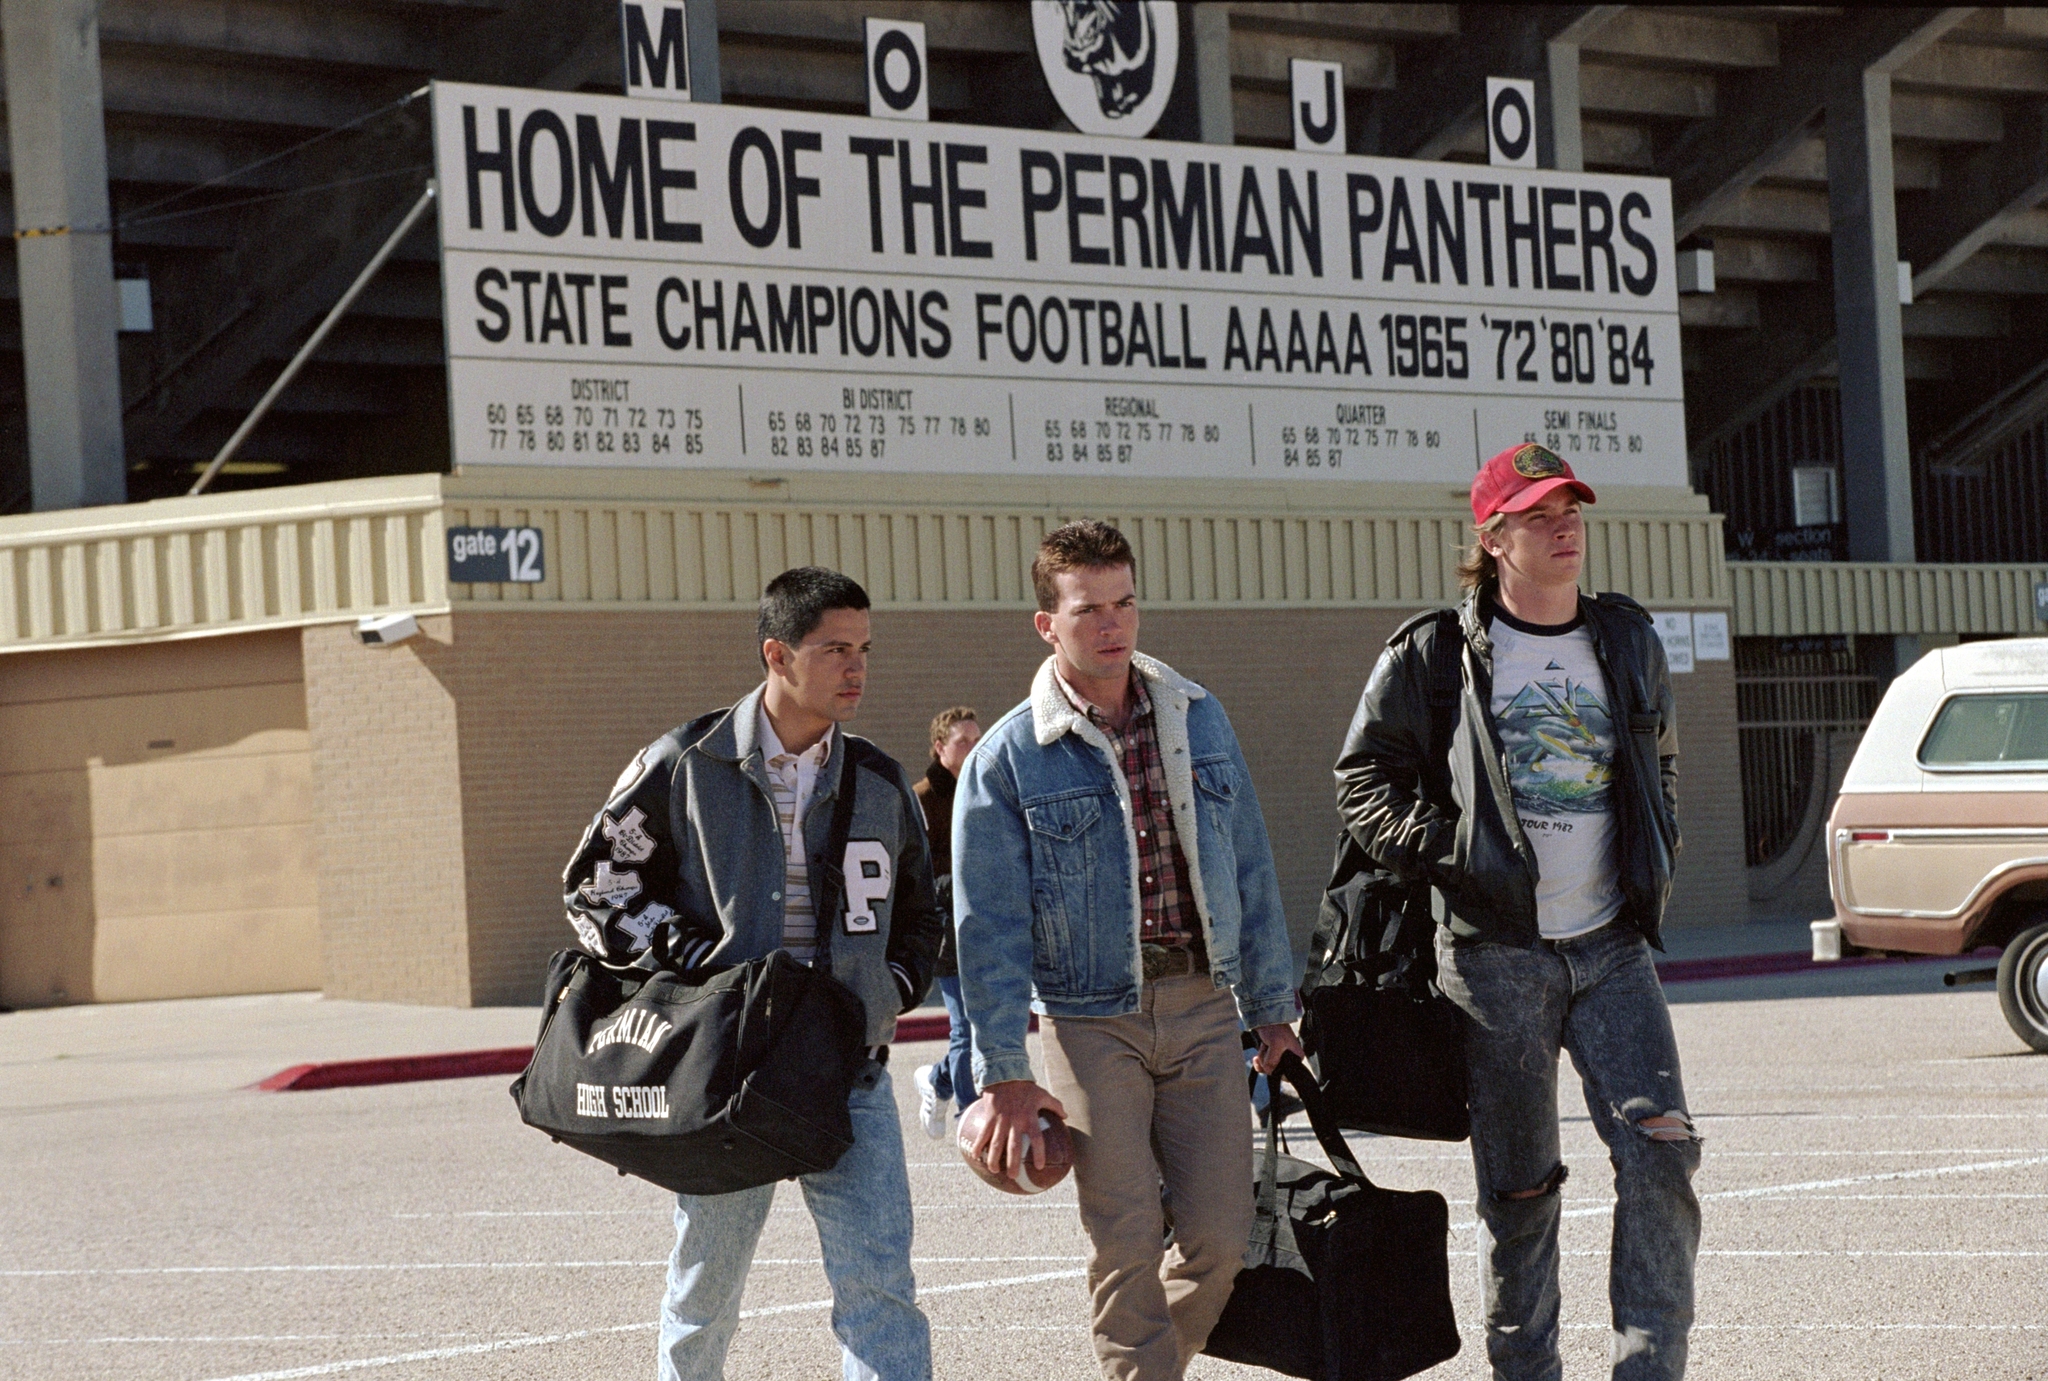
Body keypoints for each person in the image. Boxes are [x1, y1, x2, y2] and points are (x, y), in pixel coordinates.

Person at [1334, 443, 1701, 1381]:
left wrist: (1660, 844)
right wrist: (1456, 856)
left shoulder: (1625, 639)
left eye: (1570, 507)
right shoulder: (1435, 655)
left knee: (1662, 1157)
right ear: (1491, 535)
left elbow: (1657, 759)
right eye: (1538, 514)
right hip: (1496, 957)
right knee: (1522, 1194)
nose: (1564, 525)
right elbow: (1363, 780)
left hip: (1613, 944)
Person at [562, 566, 942, 1381]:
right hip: (726, 1079)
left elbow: (923, 911)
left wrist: (890, 991)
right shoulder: (686, 763)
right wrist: (694, 964)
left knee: (882, 1292)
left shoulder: (878, 779)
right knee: (706, 1294)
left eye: (865, 649)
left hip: (850, 1071)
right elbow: (596, 890)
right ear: (777, 652)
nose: (856, 668)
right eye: (834, 648)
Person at [952, 520, 1302, 1381]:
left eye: (1124, 603)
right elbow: (986, 925)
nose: (1112, 624)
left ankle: (1145, 1370)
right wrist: (1002, 1066)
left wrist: (1274, 1007)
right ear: (1048, 623)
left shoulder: (1199, 716)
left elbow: (1249, 863)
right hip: (1087, 1019)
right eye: (1088, 609)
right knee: (1127, 1237)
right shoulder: (1006, 758)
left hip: (1201, 1006)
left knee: (1222, 1239)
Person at [911, 705, 982, 1139]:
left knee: (981, 1024)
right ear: (941, 748)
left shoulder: (986, 788)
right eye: (964, 741)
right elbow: (915, 872)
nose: (975, 747)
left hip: (985, 925)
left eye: (978, 739)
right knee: (964, 1027)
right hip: (945, 930)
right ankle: (969, 1117)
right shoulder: (921, 799)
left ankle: (937, 1080)